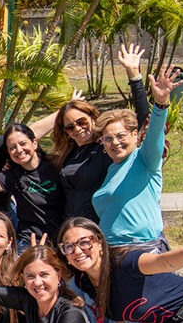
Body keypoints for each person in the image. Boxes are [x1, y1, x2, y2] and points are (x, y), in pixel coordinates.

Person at [53, 44, 150, 221]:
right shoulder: (67, 155)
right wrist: (64, 110)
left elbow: (143, 121)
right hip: (71, 231)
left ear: (92, 117)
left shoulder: (106, 148)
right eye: (69, 127)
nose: (77, 129)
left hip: (100, 229)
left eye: (81, 121)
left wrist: (134, 76)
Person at [93, 66, 181, 248]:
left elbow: (155, 133)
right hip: (112, 251)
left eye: (121, 136)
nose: (115, 142)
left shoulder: (144, 159)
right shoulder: (112, 170)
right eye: (108, 139)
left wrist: (160, 103)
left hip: (141, 248)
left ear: (135, 135)